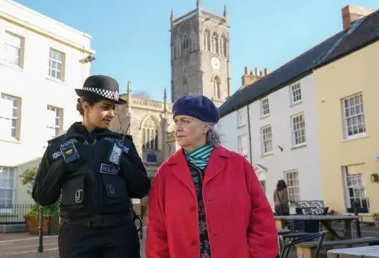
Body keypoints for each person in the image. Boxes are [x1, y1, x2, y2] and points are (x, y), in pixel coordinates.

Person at [32, 75, 150, 258]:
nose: (111, 113)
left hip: (119, 235)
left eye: (113, 108)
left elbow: (141, 189)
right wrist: (63, 164)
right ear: (86, 106)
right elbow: (43, 196)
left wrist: (120, 159)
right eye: (105, 107)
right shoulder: (59, 147)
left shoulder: (122, 144)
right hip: (76, 236)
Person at [146, 95, 278, 258]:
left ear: (205, 127)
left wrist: (256, 255)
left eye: (185, 121)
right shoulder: (165, 173)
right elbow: (156, 232)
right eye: (176, 121)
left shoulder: (239, 165)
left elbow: (261, 219)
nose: (177, 127)